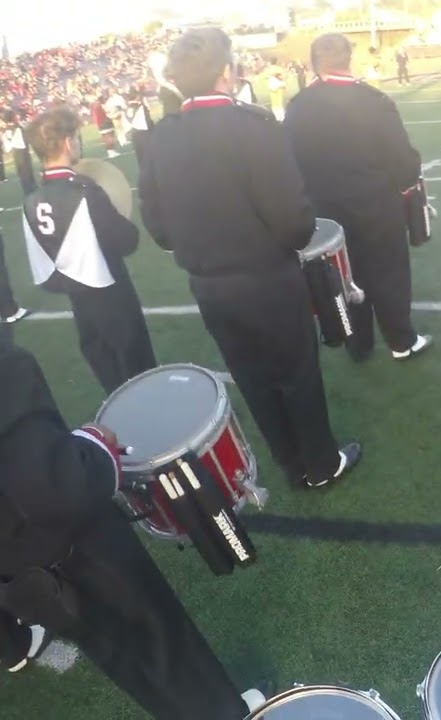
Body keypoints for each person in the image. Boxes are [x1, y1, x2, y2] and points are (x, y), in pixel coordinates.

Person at [139, 27, 361, 489]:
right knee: (296, 373)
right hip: (266, 278)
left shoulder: (161, 137)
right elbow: (295, 223)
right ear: (227, 72)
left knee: (253, 377)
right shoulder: (254, 127)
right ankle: (320, 464)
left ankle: (290, 461)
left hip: (209, 285)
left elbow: (158, 226)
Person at [0, 337, 266, 718]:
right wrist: (94, 443)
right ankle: (227, 713)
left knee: (125, 659)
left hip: (18, 571)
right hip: (72, 550)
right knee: (160, 640)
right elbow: (53, 486)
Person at [283, 33, 431, 363]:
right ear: (348, 57)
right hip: (377, 206)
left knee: (345, 278)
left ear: (314, 62)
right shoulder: (373, 100)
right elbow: (403, 161)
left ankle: (358, 344)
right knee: (389, 273)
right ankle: (401, 341)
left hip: (326, 213)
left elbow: (288, 162)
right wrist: (407, 184)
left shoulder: (298, 106)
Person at [21, 106, 156, 392]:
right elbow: (126, 241)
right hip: (110, 292)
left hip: (77, 299)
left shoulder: (32, 198)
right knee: (137, 366)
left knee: (107, 369)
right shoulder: (83, 190)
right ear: (68, 142)